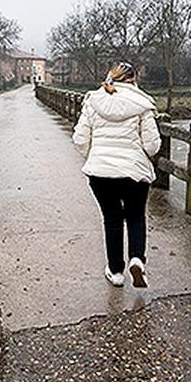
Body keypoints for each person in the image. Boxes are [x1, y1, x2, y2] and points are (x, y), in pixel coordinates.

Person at [72, 62, 161, 288]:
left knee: (112, 219)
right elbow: (152, 146)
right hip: (133, 172)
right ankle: (137, 260)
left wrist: (95, 156)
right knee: (135, 215)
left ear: (111, 76)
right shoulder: (142, 103)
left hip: (101, 173)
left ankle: (116, 271)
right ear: (134, 79)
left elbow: (80, 139)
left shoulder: (93, 101)